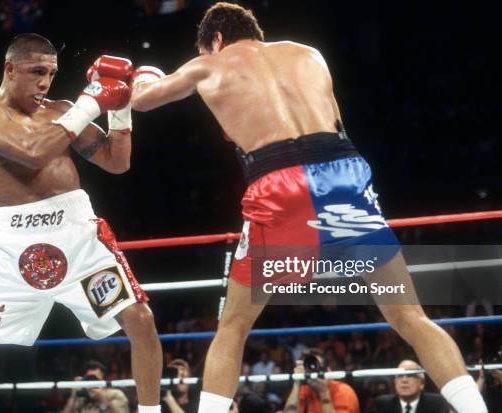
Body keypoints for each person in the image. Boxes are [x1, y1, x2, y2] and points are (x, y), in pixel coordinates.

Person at [129, 3, 488, 413]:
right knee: (410, 315)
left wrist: (145, 75)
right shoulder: (308, 53)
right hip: (345, 172)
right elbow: (334, 119)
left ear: (216, 40)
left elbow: (142, 102)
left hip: (279, 182)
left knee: (233, 327)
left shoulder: (206, 64)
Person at [0, 33, 163, 413]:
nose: (45, 82)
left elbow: (116, 161)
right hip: (14, 250)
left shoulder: (62, 110)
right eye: (36, 71)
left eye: (52, 73)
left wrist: (120, 108)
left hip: (80, 240)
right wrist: (92, 100)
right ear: (10, 69)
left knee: (141, 321)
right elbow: (32, 153)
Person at [283, 349, 359, 413]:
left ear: (328, 370)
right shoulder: (304, 390)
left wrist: (324, 393)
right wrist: (297, 383)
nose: (312, 370)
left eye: (316, 365)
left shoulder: (343, 392)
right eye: (308, 367)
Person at [375, 359, 448, 413]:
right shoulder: (384, 404)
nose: (404, 380)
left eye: (410, 375)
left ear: (422, 383)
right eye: (400, 376)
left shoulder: (436, 403)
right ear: (395, 383)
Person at [62, 360, 129, 413]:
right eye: (89, 379)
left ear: (104, 380)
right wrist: (74, 395)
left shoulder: (115, 395)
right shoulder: (80, 397)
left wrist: (100, 399)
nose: (92, 383)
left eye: (95, 379)